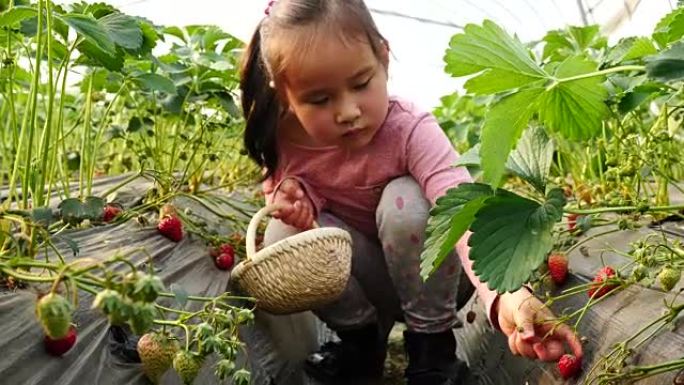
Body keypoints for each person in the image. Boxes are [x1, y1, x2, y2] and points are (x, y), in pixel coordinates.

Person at [238, 0, 584, 384]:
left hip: (436, 274)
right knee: (281, 233)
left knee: (404, 200)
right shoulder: (284, 142)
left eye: (361, 83)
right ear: (285, 95)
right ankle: (362, 342)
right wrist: (293, 202)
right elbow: (286, 203)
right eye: (319, 100)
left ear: (383, 59)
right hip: (365, 285)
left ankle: (433, 350)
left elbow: (461, 210)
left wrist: (507, 295)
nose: (348, 110)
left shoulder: (409, 129)